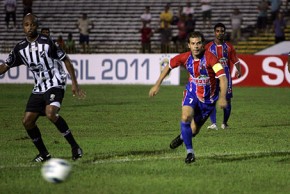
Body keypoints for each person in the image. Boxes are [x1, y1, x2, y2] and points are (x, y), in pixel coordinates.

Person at [0, 13, 86, 162]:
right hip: (39, 86)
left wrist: (74, 83)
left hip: (55, 81)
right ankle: (44, 154)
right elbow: (5, 66)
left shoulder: (47, 42)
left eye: (32, 24)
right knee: (27, 121)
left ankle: (75, 147)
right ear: (23, 27)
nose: (29, 27)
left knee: (51, 113)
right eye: (26, 25)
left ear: (37, 25)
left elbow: (66, 60)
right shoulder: (19, 48)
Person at [149, 31, 228, 164]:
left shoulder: (211, 58)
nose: (196, 46)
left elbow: (223, 78)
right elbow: (168, 66)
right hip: (192, 93)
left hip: (208, 100)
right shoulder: (184, 57)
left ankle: (182, 137)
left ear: (202, 45)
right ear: (189, 45)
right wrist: (157, 85)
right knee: (185, 117)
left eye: (198, 43)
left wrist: (222, 97)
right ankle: (190, 153)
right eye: (193, 44)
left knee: (194, 131)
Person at [206, 23, 241, 130]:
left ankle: (224, 123)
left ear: (224, 32)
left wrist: (239, 70)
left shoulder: (229, 46)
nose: (220, 33)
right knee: (212, 99)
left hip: (225, 77)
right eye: (218, 31)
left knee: (228, 100)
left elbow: (235, 59)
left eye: (222, 31)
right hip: (213, 76)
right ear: (214, 32)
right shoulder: (208, 47)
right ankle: (213, 123)